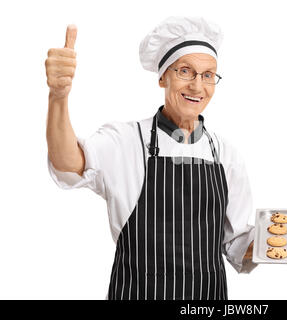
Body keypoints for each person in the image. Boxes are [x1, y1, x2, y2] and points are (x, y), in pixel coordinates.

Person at [45, 16, 256, 300]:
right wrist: (58, 96)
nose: (197, 85)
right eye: (185, 71)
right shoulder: (125, 140)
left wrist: (282, 244)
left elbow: (238, 244)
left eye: (208, 75)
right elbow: (68, 161)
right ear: (162, 77)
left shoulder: (225, 154)